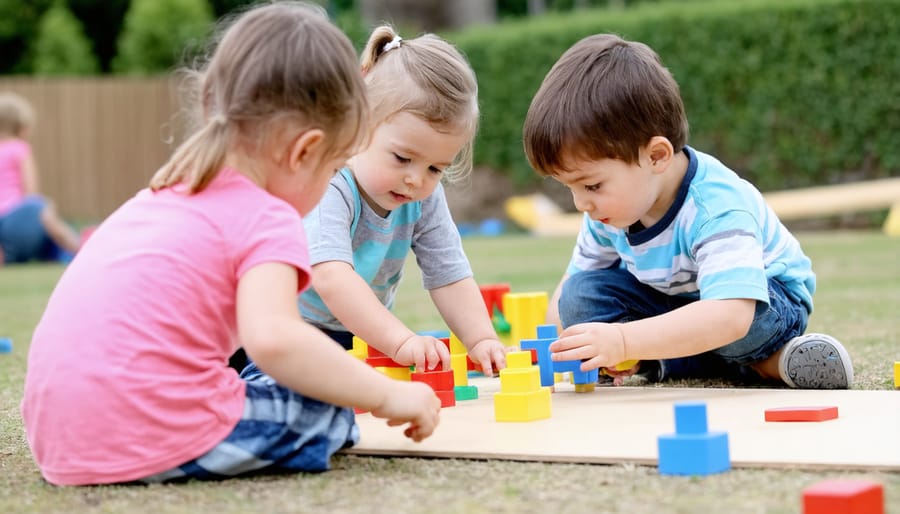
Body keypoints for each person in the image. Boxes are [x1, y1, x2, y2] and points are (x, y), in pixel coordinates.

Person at [21, 2, 441, 487]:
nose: (331, 183)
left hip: (61, 439)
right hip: (141, 433)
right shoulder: (268, 217)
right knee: (328, 405)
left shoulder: (163, 194)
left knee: (288, 380)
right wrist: (387, 397)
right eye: (333, 168)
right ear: (303, 151)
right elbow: (275, 341)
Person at [522, 34, 853, 389]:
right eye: (568, 187)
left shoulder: (713, 205)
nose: (580, 204)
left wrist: (622, 341)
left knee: (740, 327)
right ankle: (713, 360)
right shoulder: (608, 211)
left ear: (656, 156)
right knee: (579, 298)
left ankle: (766, 361)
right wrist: (553, 347)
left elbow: (731, 315)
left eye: (591, 186)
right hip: (678, 305)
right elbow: (570, 290)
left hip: (760, 307)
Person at [297, 26, 508, 376]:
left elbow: (449, 273)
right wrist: (399, 341)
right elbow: (331, 278)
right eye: (401, 158)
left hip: (358, 334)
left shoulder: (424, 197)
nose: (416, 179)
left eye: (436, 168)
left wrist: (481, 339)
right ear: (360, 123)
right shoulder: (330, 184)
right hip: (286, 331)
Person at [0, 91, 81, 265]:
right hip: (14, 218)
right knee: (42, 206)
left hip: (4, 234)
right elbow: (31, 191)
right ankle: (79, 248)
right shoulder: (19, 148)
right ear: (21, 127)